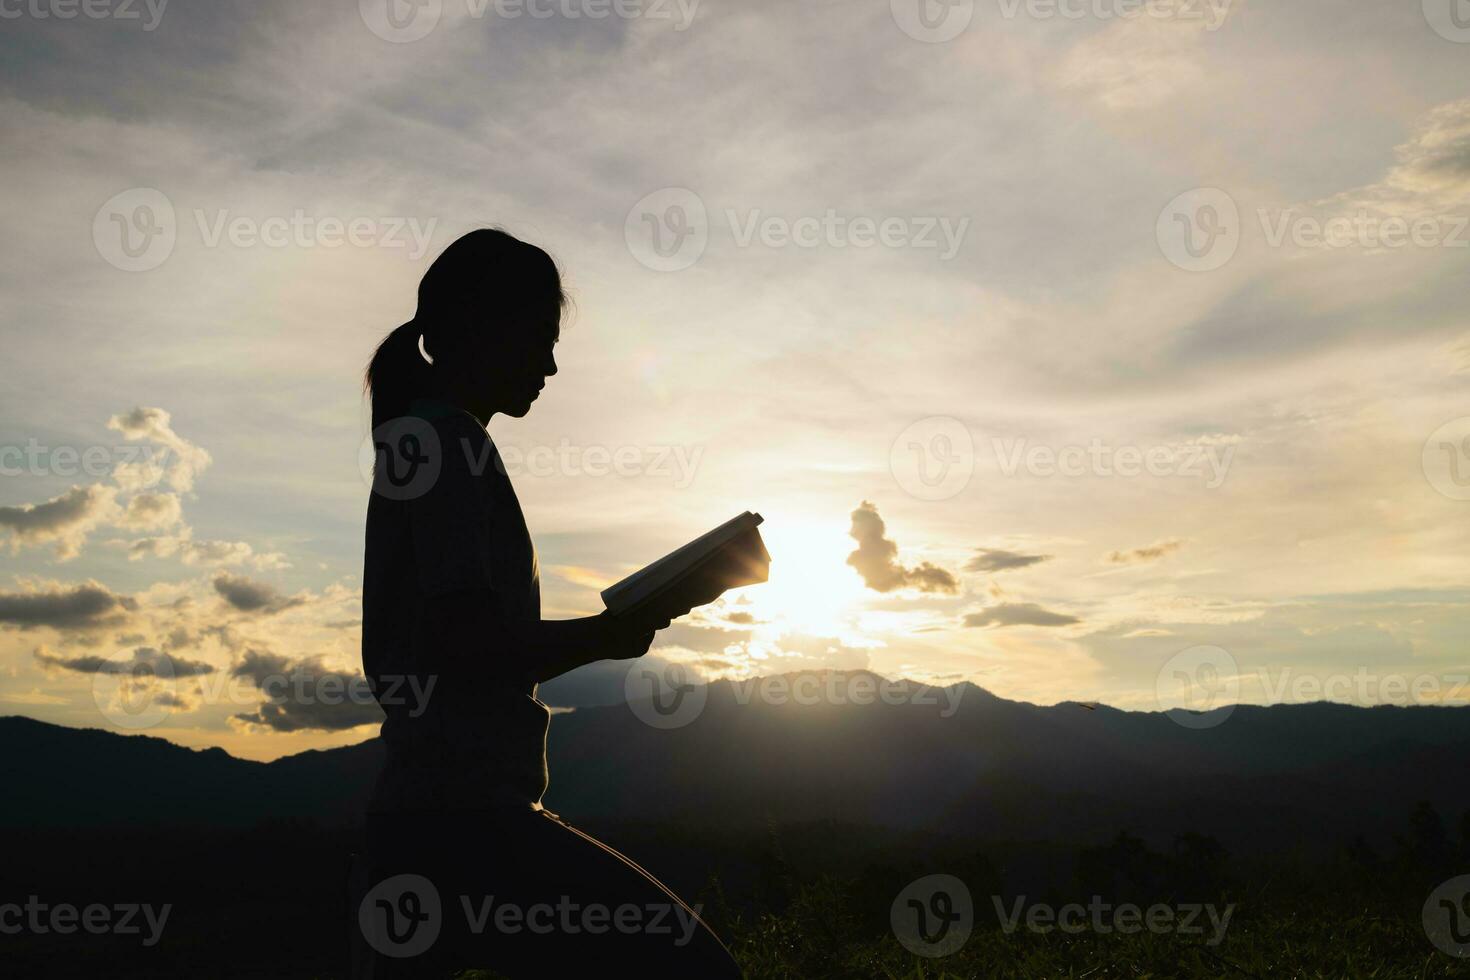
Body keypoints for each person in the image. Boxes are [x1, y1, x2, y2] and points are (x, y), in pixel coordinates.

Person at [359, 228, 740, 976]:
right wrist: (606, 633)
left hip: (429, 821)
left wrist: (610, 633)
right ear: (473, 324)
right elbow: (461, 646)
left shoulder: (431, 442)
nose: (552, 364)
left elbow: (460, 649)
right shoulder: (445, 447)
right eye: (539, 337)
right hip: (464, 827)